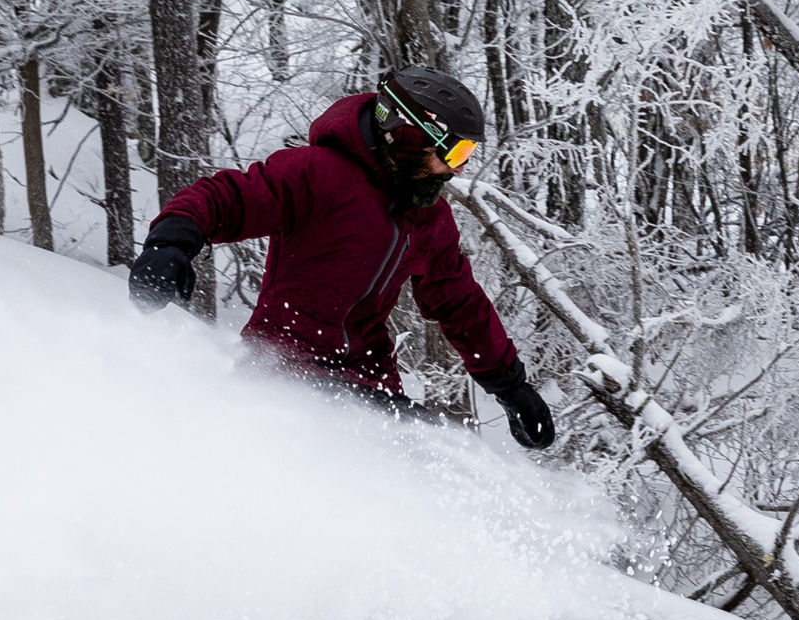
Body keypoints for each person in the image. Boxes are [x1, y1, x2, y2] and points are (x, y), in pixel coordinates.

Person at [126, 67, 556, 450]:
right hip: (284, 376)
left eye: (466, 155)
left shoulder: (429, 217)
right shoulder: (316, 174)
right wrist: (171, 244)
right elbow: (225, 198)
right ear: (407, 136)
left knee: (430, 459)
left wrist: (512, 388)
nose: (456, 170)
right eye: (453, 153)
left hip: (369, 385)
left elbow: (460, 304)